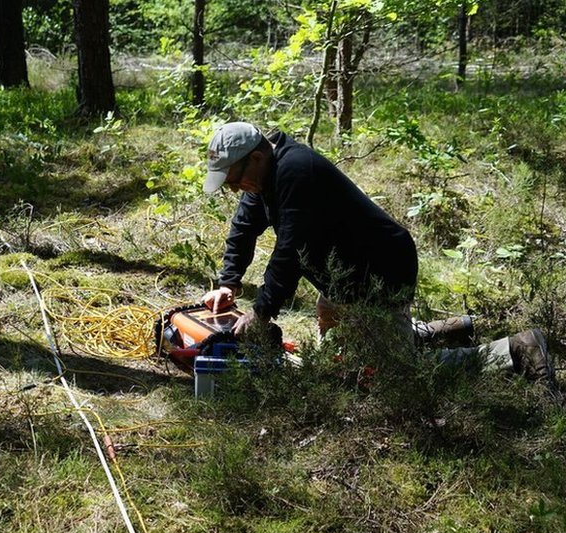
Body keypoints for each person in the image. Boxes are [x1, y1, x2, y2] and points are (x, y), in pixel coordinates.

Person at [199, 121, 556, 390]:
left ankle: (517, 350)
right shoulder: (263, 175)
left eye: (232, 180)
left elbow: (290, 250)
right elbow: (244, 227)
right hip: (342, 278)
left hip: (380, 270)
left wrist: (261, 311)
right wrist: (228, 282)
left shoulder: (295, 171)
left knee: (389, 373)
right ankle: (438, 331)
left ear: (256, 158)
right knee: (340, 357)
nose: (233, 189)